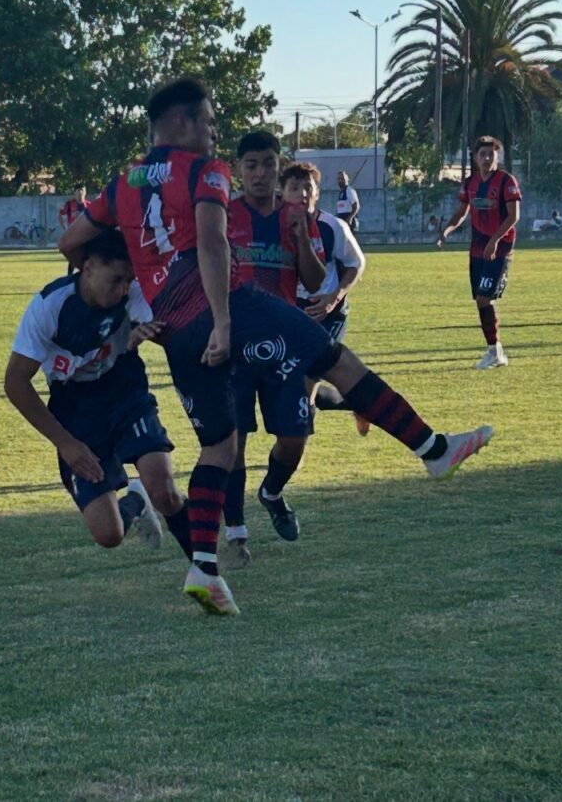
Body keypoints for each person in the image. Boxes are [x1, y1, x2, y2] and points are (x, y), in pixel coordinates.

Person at [60, 77, 494, 617]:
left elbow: (71, 243)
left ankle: (204, 569)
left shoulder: (121, 182)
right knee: (335, 359)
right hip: (228, 306)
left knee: (220, 446)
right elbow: (213, 240)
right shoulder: (204, 171)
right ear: (181, 124)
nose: (216, 132)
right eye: (210, 121)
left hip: (174, 330)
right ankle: (433, 450)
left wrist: (138, 274)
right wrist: (222, 320)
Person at [5, 229, 193, 560]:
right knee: (108, 535)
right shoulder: (50, 306)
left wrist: (150, 333)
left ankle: (206, 573)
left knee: (164, 489)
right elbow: (15, 383)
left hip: (124, 392)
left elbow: (168, 331)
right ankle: (134, 499)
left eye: (128, 280)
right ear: (88, 268)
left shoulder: (131, 293)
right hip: (75, 410)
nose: (124, 289)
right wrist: (65, 442)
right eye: (116, 279)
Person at [223, 133, 326, 565]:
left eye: (268, 164)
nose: (260, 173)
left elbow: (317, 282)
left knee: (294, 438)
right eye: (251, 165)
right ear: (238, 170)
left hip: (284, 346)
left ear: (278, 166)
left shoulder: (296, 216)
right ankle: (236, 535)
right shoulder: (223, 215)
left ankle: (271, 492)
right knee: (232, 443)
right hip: (234, 345)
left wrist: (302, 239)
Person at [283, 161, 370, 432]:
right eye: (294, 187)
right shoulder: (273, 227)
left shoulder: (332, 226)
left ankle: (297, 447)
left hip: (328, 313)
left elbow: (356, 264)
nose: (302, 193)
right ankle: (356, 402)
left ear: (318, 193)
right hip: (292, 313)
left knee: (307, 378)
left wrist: (334, 296)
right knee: (292, 380)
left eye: (308, 187)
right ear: (282, 193)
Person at [437, 136, 521, 369]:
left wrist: (495, 241)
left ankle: (495, 352)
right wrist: (447, 230)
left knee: (485, 297)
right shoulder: (470, 182)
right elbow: (462, 211)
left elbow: (514, 216)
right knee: (480, 301)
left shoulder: (506, 181)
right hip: (477, 249)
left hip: (499, 248)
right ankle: (495, 350)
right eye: (482, 154)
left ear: (497, 156)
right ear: (475, 158)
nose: (486, 158)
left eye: (491, 154)